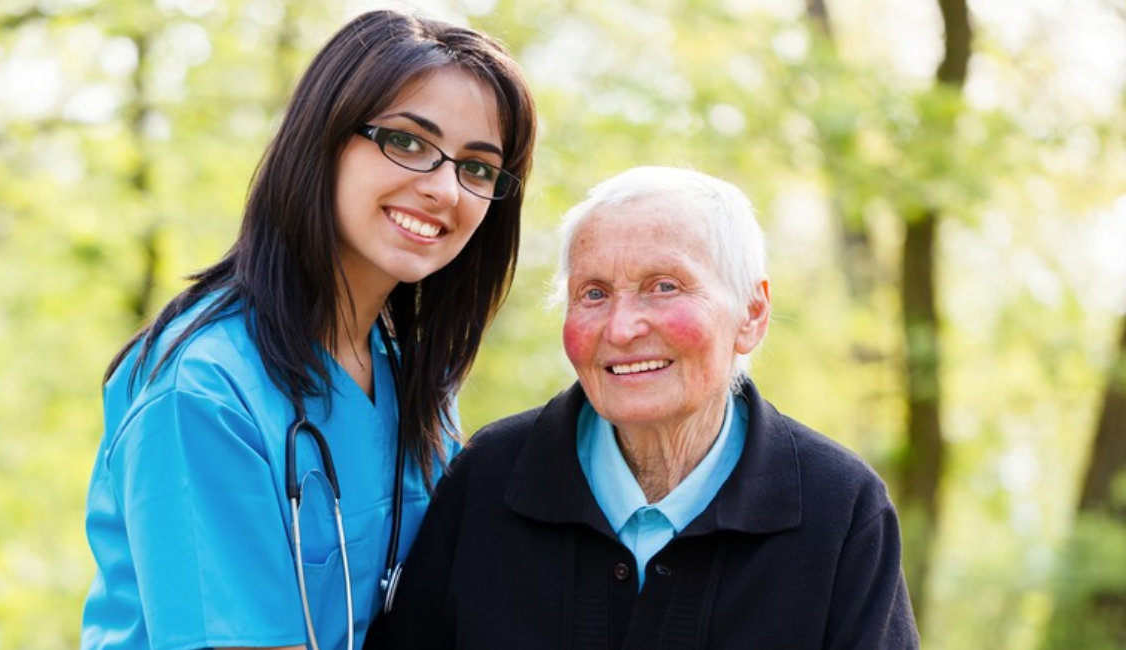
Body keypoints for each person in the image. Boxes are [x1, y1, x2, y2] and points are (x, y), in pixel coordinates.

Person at [79, 10, 535, 650]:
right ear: (323, 139)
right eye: (406, 141)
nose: (444, 189)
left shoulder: (411, 380)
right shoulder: (203, 391)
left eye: (478, 168)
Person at [365, 167, 918, 649]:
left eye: (664, 286)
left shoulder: (840, 509)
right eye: (594, 293)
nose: (622, 328)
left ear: (751, 314)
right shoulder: (489, 477)